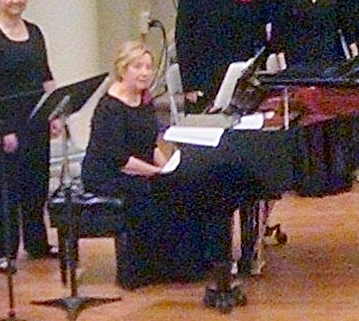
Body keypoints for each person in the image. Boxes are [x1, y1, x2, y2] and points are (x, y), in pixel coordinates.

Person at [86, 40, 250, 291]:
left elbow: (149, 144)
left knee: (183, 186)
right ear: (122, 69)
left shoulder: (143, 99)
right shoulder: (110, 107)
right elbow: (118, 159)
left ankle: (196, 262)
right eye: (137, 67)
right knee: (153, 195)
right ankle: (151, 270)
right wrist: (158, 174)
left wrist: (169, 168)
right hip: (107, 173)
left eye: (148, 67)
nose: (144, 73)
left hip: (137, 166)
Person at [0, 0, 56, 261]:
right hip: (6, 123)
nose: (15, 0)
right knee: (6, 188)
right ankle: (2, 251)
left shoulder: (34, 32)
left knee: (37, 182)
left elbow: (46, 75)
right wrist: (4, 130)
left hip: (36, 118)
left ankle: (37, 243)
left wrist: (55, 112)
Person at [269, 0, 356, 196]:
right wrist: (283, 68)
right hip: (299, 63)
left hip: (330, 60)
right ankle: (309, 180)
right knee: (306, 122)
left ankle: (336, 177)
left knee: (331, 119)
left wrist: (353, 55)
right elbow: (279, 34)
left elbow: (346, 24)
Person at [175, 0, 267, 112]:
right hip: (204, 76)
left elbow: (256, 24)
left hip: (239, 73)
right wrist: (190, 85)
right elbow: (183, 38)